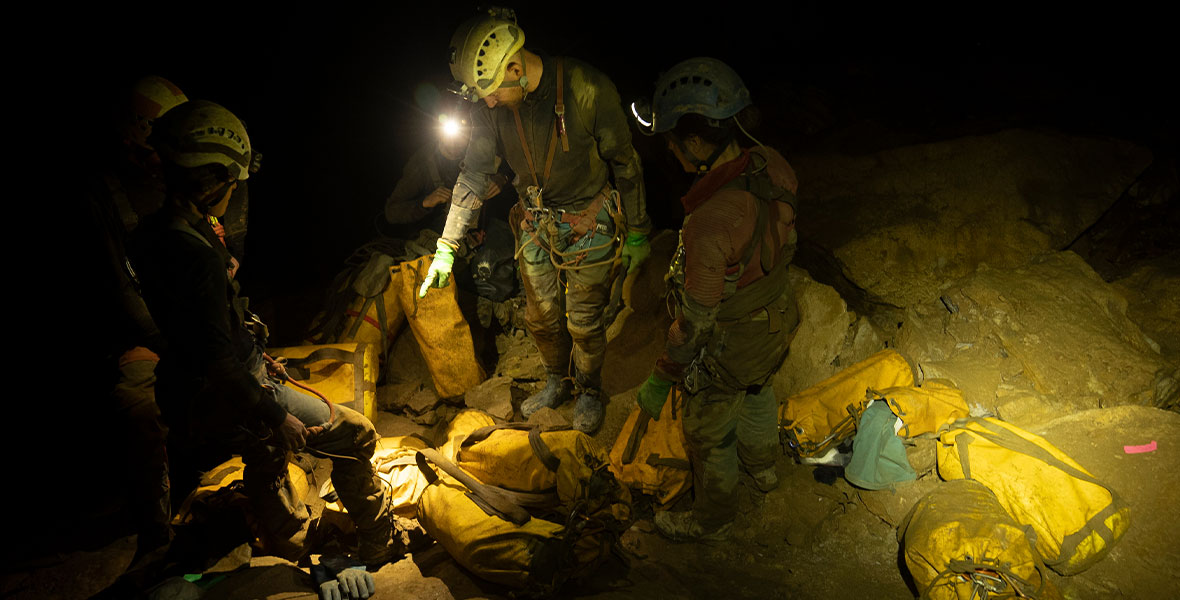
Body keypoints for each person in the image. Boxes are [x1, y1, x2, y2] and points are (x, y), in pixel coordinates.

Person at [133, 100, 397, 568]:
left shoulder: (158, 231)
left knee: (265, 453)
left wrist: (256, 355)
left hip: (195, 390)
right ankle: (379, 540)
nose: (234, 190)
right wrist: (276, 415)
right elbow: (216, 358)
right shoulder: (194, 254)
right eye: (232, 180)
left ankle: (283, 531)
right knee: (355, 435)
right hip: (226, 393)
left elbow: (201, 331)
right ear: (213, 179)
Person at [419, 7, 652, 433]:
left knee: (584, 322)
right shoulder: (492, 109)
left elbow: (626, 162)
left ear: (515, 67)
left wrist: (637, 230)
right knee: (541, 317)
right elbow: (474, 173)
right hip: (536, 223)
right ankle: (554, 381)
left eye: (490, 91)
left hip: (587, 220)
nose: (487, 102)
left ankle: (589, 389)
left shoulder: (587, 89)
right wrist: (446, 247)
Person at [631, 58, 800, 542]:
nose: (669, 149)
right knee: (758, 389)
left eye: (671, 140)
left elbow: (697, 320)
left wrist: (665, 372)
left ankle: (714, 515)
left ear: (697, 142)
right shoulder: (772, 162)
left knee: (707, 424)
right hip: (778, 319)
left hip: (735, 337)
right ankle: (764, 470)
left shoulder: (711, 218)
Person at [82, 74, 189, 562]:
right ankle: (156, 536)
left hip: (190, 324)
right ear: (135, 130)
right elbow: (118, 288)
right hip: (143, 334)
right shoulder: (106, 193)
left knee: (253, 383)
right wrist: (171, 342)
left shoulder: (183, 180)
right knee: (142, 409)